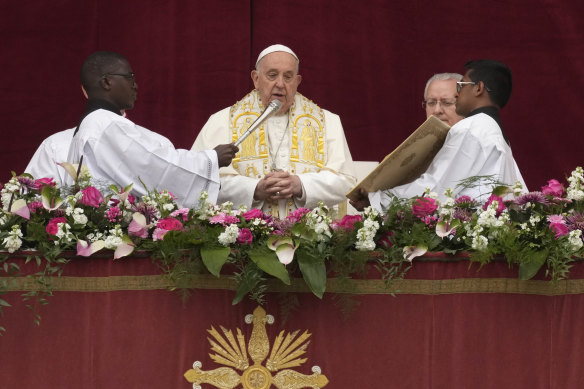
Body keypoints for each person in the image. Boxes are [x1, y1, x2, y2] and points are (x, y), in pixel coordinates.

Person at [192, 44, 356, 217]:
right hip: (242, 237)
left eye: (288, 76)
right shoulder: (221, 121)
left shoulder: (327, 121)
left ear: (297, 81)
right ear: (256, 79)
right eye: (272, 75)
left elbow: (346, 182)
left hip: (310, 237)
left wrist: (301, 185)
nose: (280, 84)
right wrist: (254, 189)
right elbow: (198, 181)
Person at [351, 59, 527, 213]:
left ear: (478, 88)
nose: (458, 94)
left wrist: (376, 200)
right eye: (430, 102)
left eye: (461, 86)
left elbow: (437, 189)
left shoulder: (470, 128)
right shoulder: (493, 130)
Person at [66, 51, 238, 207]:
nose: (135, 85)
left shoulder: (93, 124)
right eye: (130, 77)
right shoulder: (105, 123)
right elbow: (153, 165)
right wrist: (211, 159)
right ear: (106, 82)